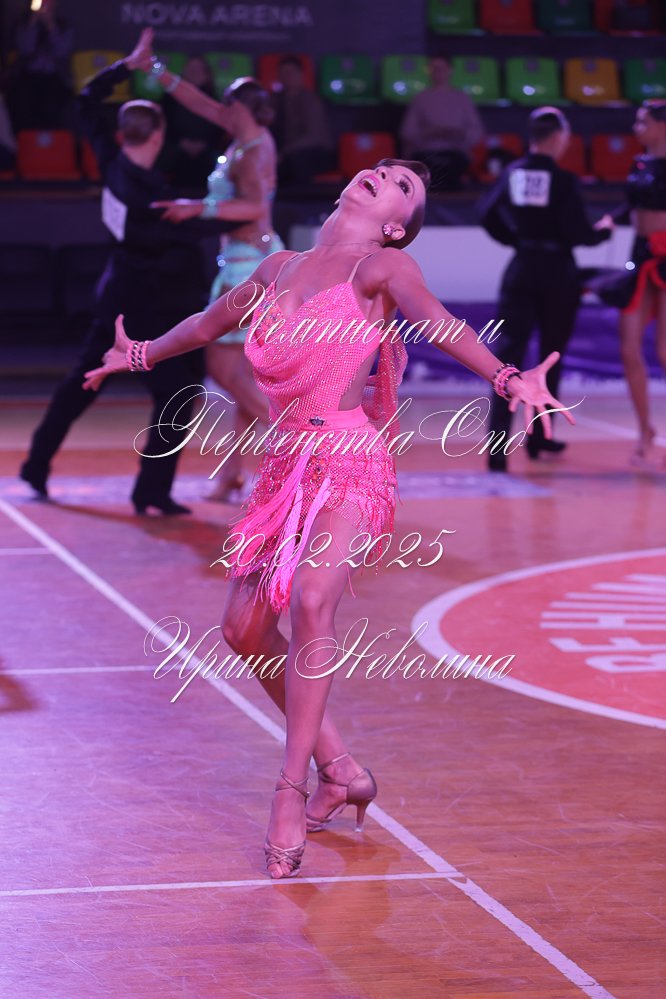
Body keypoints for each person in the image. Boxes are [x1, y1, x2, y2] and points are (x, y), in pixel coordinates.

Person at [83, 159, 572, 880]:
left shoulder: (384, 268)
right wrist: (140, 353)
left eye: (403, 185)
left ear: (397, 225)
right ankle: (340, 770)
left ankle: (289, 790)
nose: (384, 174)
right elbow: (209, 323)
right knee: (243, 630)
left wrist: (505, 377)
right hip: (284, 464)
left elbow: (438, 322)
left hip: (348, 459)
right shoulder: (278, 268)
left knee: (313, 600)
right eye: (384, 169)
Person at [19, 30, 245, 514]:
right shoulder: (152, 200)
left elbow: (86, 98)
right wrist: (249, 213)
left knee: (83, 383)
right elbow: (197, 227)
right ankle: (151, 491)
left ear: (124, 134)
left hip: (116, 296)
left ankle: (36, 464)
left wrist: (127, 65)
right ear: (158, 136)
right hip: (152, 310)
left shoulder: (111, 161)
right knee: (177, 394)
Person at [146, 38, 284, 501]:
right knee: (242, 374)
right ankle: (232, 475)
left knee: (223, 370)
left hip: (249, 266)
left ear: (238, 108)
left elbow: (254, 206)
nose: (218, 110)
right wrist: (157, 69)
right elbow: (199, 103)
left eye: (226, 104)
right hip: (246, 260)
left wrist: (197, 206)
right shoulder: (246, 136)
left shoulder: (253, 151)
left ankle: (300, 442)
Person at [478, 107, 614, 473]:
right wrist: (603, 231)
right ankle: (540, 437)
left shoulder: (514, 172)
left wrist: (517, 239)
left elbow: (486, 213)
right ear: (557, 137)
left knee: (506, 361)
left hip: (522, 269)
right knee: (551, 356)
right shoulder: (563, 179)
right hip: (558, 273)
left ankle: (497, 450)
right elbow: (579, 233)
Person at [594, 100, 666, 466]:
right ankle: (644, 430)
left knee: (665, 351)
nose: (637, 128)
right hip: (640, 253)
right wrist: (610, 219)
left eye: (643, 122)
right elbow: (631, 206)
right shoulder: (639, 163)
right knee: (629, 347)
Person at [400, 55, 484, 192]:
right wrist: (429, 133)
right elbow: (407, 133)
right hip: (426, 153)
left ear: (450, 70)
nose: (437, 72)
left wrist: (459, 135)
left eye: (441, 68)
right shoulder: (420, 98)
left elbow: (476, 132)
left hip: (455, 153)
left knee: (453, 168)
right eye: (434, 68)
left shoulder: (462, 98)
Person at [7, 0, 73, 130]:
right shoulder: (23, 23)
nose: (44, 6)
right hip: (28, 76)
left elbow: (62, 52)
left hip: (54, 77)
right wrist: (33, 22)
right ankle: (26, 138)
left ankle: (53, 138)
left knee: (54, 99)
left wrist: (50, 26)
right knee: (21, 97)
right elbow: (25, 48)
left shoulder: (63, 25)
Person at [159, 55, 221, 191]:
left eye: (198, 70)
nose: (194, 73)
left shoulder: (215, 100)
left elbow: (220, 129)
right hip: (176, 147)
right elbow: (164, 124)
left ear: (206, 75)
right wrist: (181, 142)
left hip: (206, 150)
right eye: (191, 69)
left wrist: (204, 144)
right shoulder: (169, 99)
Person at [272, 55, 336, 186]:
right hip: (287, 153)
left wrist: (286, 152)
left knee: (297, 161)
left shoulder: (310, 100)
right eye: (283, 73)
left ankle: (300, 196)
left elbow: (313, 136)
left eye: (291, 72)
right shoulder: (276, 100)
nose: (287, 77)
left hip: (316, 152)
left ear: (300, 74)